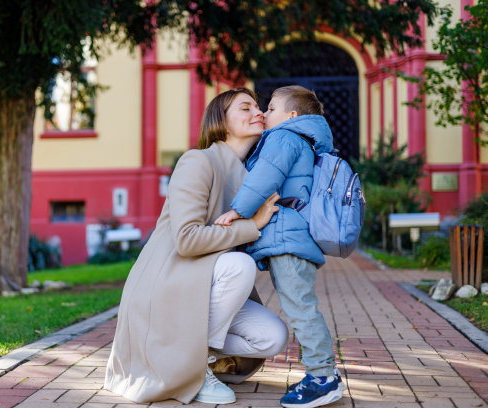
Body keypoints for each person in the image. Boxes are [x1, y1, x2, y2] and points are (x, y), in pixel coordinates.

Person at [104, 88, 289, 405]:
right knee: (239, 267)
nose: (257, 112)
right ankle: (197, 368)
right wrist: (252, 226)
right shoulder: (197, 161)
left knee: (273, 337)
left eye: (259, 107)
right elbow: (187, 239)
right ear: (222, 121)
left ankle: (193, 355)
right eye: (245, 107)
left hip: (209, 286)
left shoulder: (253, 178)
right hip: (170, 283)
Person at [214, 85, 344, 408]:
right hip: (290, 239)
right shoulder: (302, 141)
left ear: (292, 116)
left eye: (270, 108)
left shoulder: (283, 138)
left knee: (300, 308)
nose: (264, 113)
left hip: (287, 240)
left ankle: (323, 377)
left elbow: (264, 178)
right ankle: (322, 372)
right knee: (300, 305)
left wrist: (237, 210)